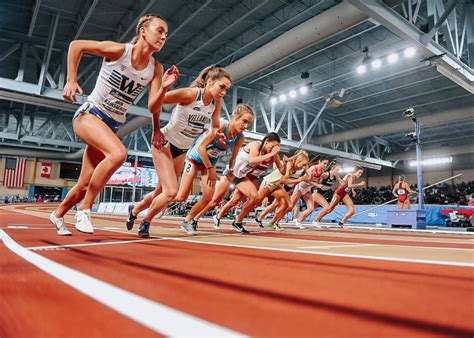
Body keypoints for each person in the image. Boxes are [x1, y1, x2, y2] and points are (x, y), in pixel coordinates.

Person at [49, 14, 176, 236]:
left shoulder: (155, 68)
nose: (164, 36)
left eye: (166, 34)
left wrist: (163, 89)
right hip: (90, 115)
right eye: (160, 30)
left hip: (110, 126)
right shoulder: (120, 51)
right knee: (118, 154)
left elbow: (152, 106)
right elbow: (76, 45)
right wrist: (71, 79)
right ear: (143, 31)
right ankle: (85, 210)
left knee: (83, 185)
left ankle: (58, 215)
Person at [126, 65, 231, 232]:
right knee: (171, 192)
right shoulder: (191, 94)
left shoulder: (215, 103)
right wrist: (156, 129)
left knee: (159, 192)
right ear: (210, 82)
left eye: (227, 89)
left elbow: (215, 126)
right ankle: (146, 221)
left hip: (181, 150)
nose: (224, 92)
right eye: (222, 87)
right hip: (164, 144)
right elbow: (154, 104)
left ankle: (135, 210)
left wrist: (216, 134)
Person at [138, 104, 254, 237]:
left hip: (209, 164)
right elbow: (201, 148)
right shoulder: (221, 125)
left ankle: (187, 221)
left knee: (209, 197)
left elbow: (234, 157)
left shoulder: (240, 137)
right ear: (236, 117)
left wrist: (231, 170)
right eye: (244, 121)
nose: (246, 126)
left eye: (249, 124)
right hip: (194, 159)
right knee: (181, 196)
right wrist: (210, 168)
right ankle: (156, 204)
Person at [201, 132, 283, 232]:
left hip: (243, 177)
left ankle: (237, 221)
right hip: (230, 174)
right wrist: (271, 154)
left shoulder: (273, 155)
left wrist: (286, 164)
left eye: (278, 147)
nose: (275, 149)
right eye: (274, 146)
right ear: (266, 142)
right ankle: (196, 219)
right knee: (215, 201)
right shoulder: (256, 145)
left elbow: (282, 171)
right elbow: (252, 160)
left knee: (254, 197)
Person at [244, 150, 310, 231]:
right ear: (298, 161)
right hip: (269, 183)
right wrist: (298, 180)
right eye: (303, 165)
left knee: (287, 205)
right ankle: (240, 216)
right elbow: (283, 180)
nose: (303, 167)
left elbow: (309, 177)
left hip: (277, 185)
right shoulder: (289, 164)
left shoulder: (297, 166)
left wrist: (306, 167)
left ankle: (272, 224)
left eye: (305, 166)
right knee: (256, 202)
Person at [291, 157, 330, 229]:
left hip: (307, 190)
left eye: (326, 164)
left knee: (311, 208)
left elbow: (315, 182)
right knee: (290, 206)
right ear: (319, 162)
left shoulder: (321, 172)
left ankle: (299, 221)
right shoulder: (312, 168)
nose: (325, 165)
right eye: (324, 163)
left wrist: (319, 186)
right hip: (300, 187)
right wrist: (317, 185)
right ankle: (275, 220)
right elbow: (305, 179)